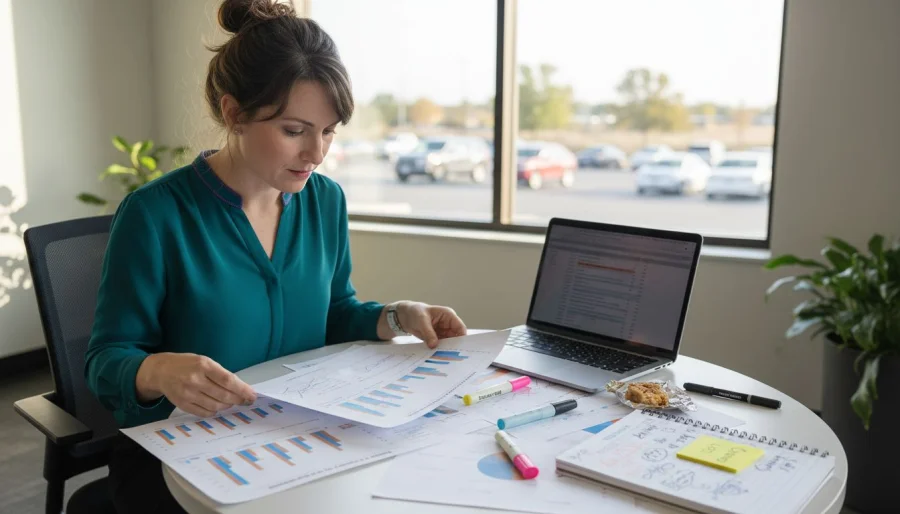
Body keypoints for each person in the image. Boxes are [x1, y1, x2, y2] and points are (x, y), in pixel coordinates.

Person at [84, 1, 468, 511]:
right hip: (185, 459)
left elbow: (333, 312)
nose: (316, 152)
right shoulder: (154, 215)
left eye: (329, 131)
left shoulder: (324, 200)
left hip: (299, 446)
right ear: (233, 113)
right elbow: (106, 360)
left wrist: (398, 315)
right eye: (294, 130)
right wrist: (155, 372)